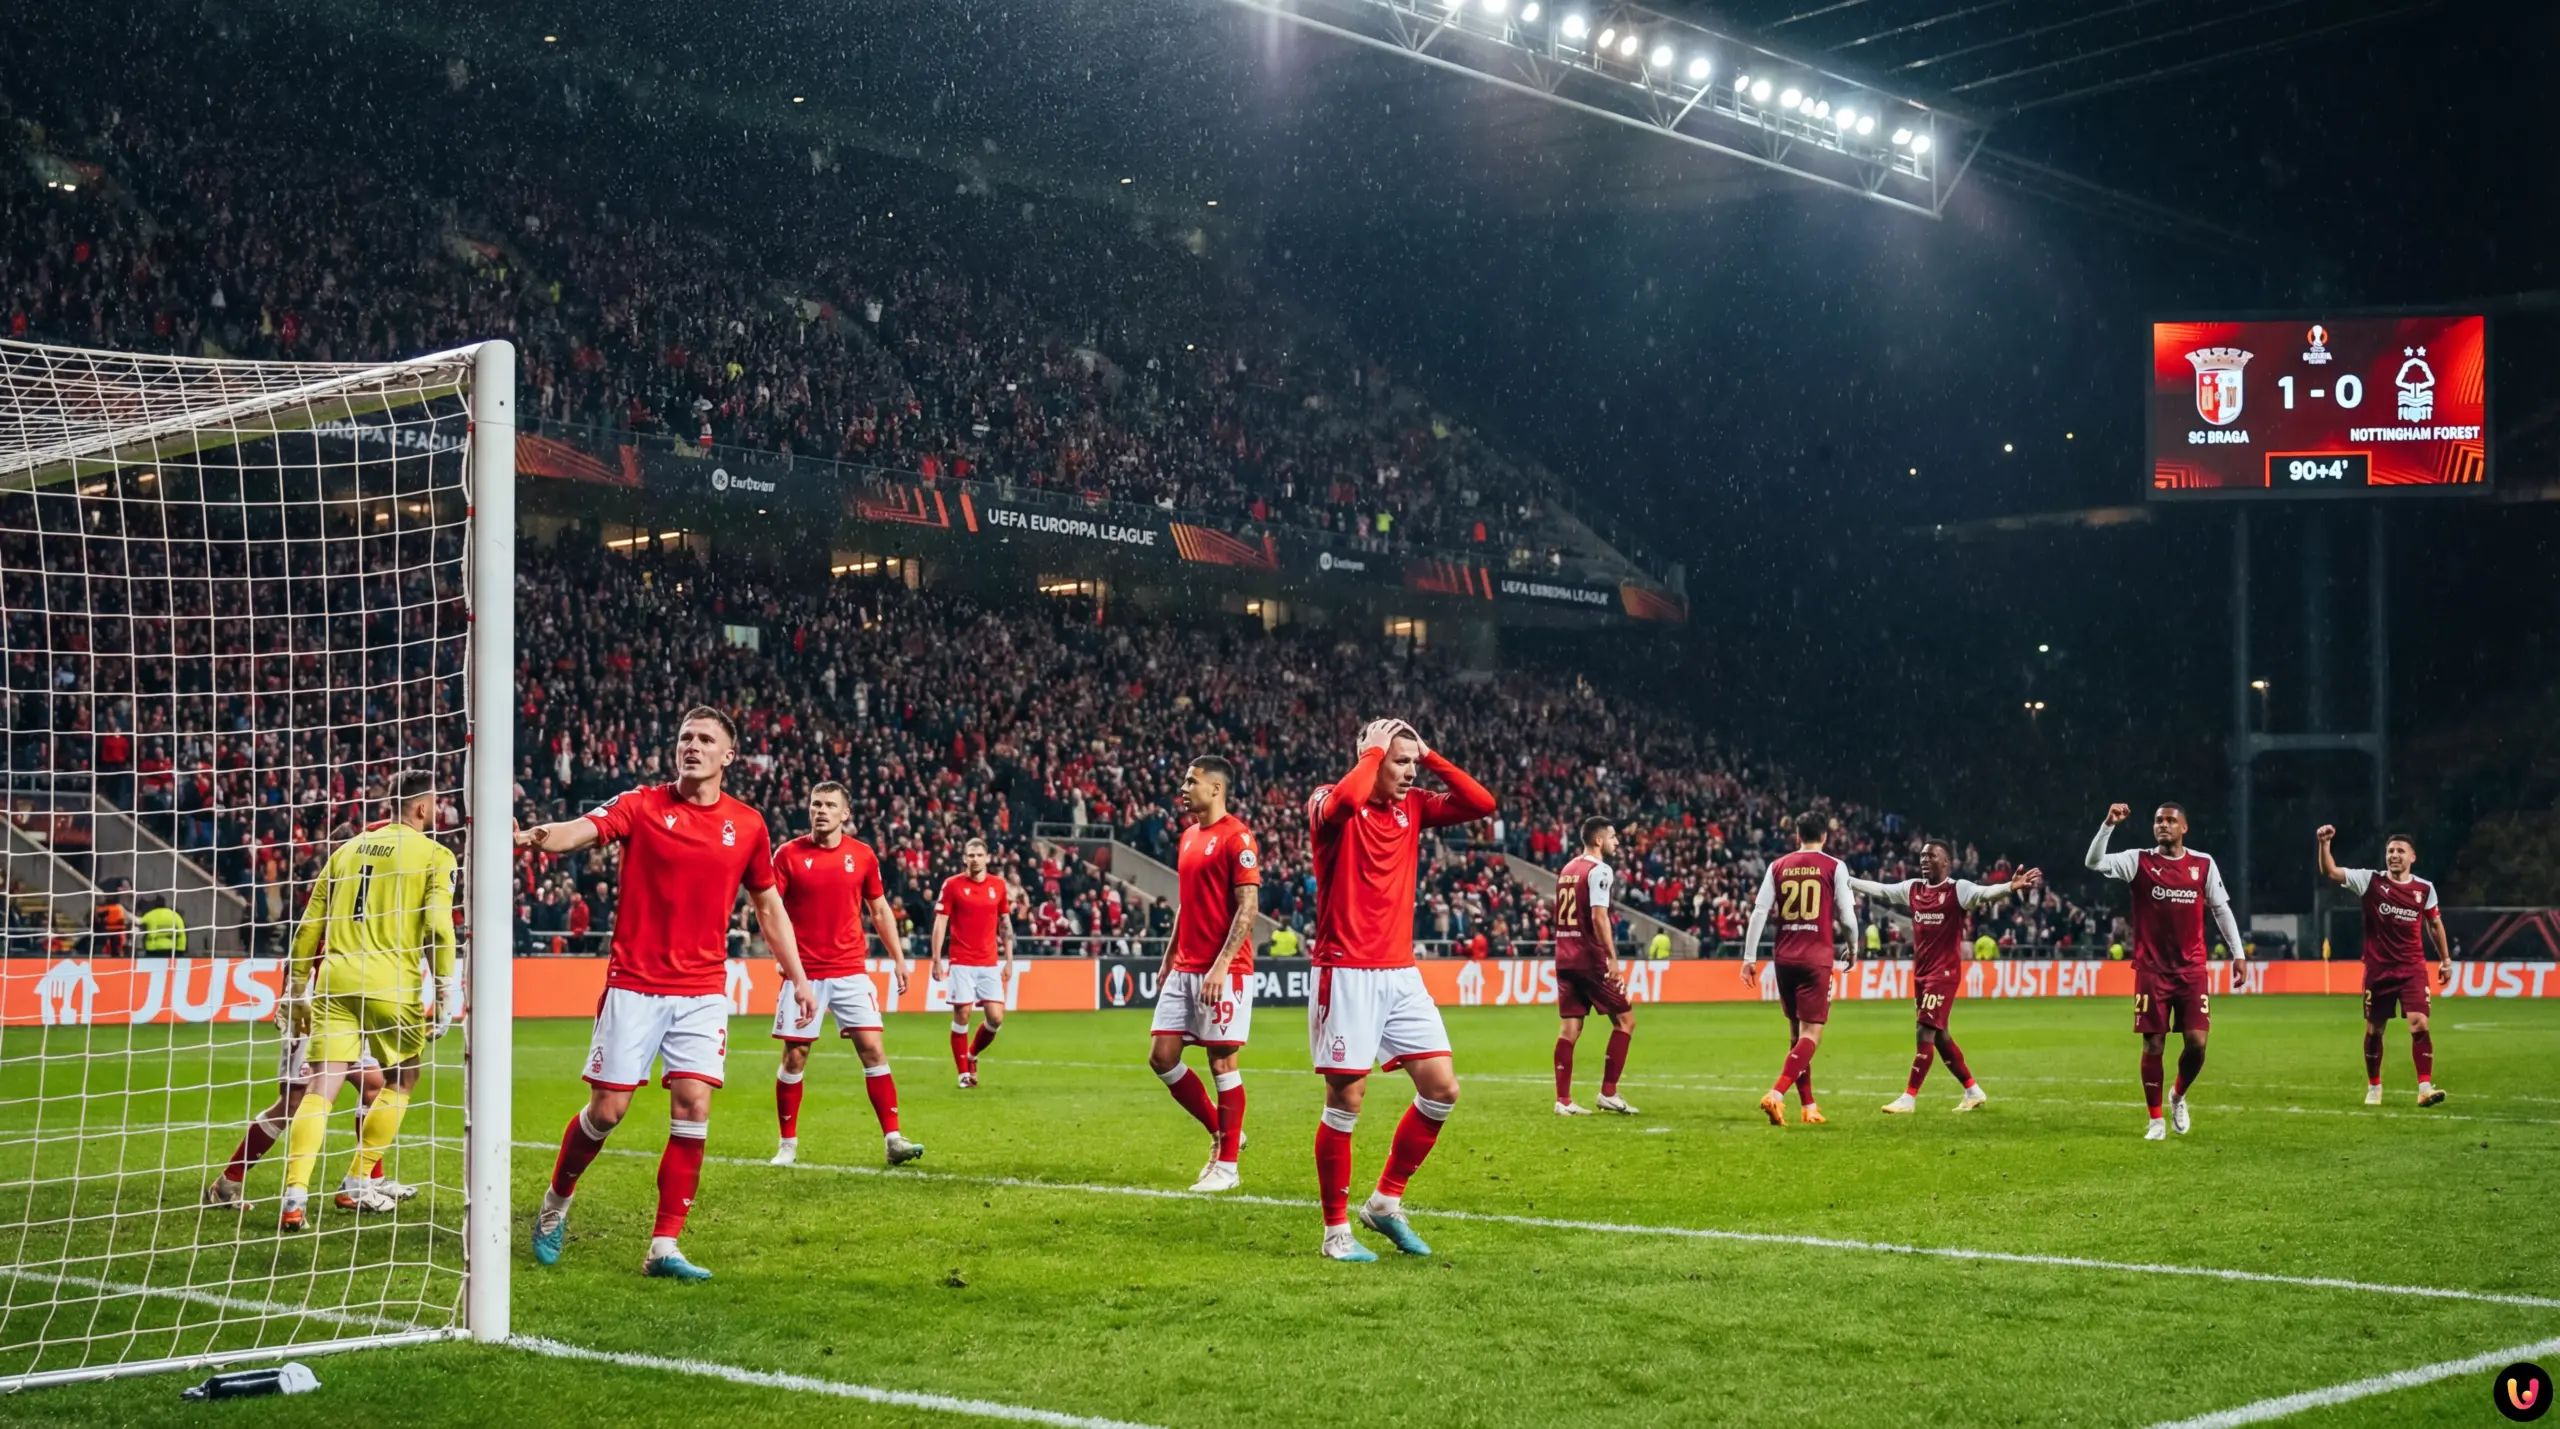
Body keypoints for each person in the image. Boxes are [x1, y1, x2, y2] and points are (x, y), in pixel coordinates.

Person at [518, 706, 818, 1281]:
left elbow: (769, 907)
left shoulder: (749, 825)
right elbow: (579, 830)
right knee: (607, 1112)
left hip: (703, 989)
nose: (693, 746)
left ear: (729, 755)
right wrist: (534, 837)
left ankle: (663, 1246)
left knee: (694, 1107)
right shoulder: (643, 805)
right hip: (634, 985)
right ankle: (556, 1204)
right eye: (685, 737)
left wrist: (798, 976)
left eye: (706, 739)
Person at [1306, 718, 1496, 1262]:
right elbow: (1344, 802)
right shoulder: (1328, 801)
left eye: (1413, 763)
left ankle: (1385, 1203)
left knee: (1442, 1089)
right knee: (1347, 1099)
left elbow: (1481, 803)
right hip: (1345, 972)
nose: (1410, 774)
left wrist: (1430, 754)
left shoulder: (1411, 809)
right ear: (1371, 757)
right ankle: (1335, 1232)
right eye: (1400, 762)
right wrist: (1370, 756)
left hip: (1399, 973)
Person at [274, 771, 458, 1231]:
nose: (436, 811)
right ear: (420, 808)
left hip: (334, 982)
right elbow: (438, 926)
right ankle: (358, 1179)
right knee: (404, 1076)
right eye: (434, 804)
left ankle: (294, 1197)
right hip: (389, 983)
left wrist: (296, 988)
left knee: (321, 1090)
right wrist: (444, 987)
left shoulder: (345, 850)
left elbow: (307, 928)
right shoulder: (435, 854)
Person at [768, 782, 924, 1168]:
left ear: (845, 814)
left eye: (830, 805)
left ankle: (893, 1139)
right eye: (816, 803)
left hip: (851, 971)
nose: (821, 810)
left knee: (872, 1048)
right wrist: (783, 959)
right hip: (804, 974)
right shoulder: (787, 855)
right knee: (795, 1057)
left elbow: (881, 911)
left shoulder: (863, 856)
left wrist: (899, 959)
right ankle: (787, 1146)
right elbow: (769, 909)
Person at [2087, 802, 2247, 1141]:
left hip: (2191, 969)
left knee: (2197, 1043)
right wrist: (2108, 825)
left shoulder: (2202, 864)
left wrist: (2238, 954)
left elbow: (2221, 909)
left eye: (2171, 820)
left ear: (2184, 828)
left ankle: (2177, 1095)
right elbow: (2094, 862)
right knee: (2153, 1045)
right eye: (2158, 820)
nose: (2163, 825)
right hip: (2152, 971)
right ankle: (2156, 1120)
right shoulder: (2138, 860)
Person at [1851, 842, 2040, 1114]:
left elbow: (1985, 893)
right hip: (1922, 972)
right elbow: (1881, 889)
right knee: (1940, 1036)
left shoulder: (1957, 890)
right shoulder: (1913, 888)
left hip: (1944, 972)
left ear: (1946, 862)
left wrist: (2009, 887)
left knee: (1923, 1030)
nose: (1925, 860)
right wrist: (1846, 881)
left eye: (1932, 856)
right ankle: (1973, 1090)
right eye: (1922, 856)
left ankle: (1909, 1097)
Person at [1146, 756, 1261, 1192]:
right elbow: (1185, 905)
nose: (1183, 787)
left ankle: (1227, 1167)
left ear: (1216, 789)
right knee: (1162, 1057)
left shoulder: (1238, 837)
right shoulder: (1189, 837)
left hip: (1223, 970)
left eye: (1191, 781)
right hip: (1185, 966)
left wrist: (1221, 965)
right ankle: (1222, 1128)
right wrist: (1167, 955)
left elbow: (1248, 908)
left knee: (1222, 1062)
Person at [2316, 825, 2451, 1107]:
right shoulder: (2370, 881)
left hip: (2412, 968)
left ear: (2412, 857)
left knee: (2419, 1024)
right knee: (2374, 1031)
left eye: (2400, 851)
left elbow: (2434, 924)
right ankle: (2374, 1087)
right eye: (2390, 851)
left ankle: (2424, 1088)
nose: (2394, 855)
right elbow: (2331, 871)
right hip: (2379, 970)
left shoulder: (2424, 889)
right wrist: (2324, 845)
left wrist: (2445, 960)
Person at [1742, 813, 1860, 1127]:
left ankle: (1808, 1106)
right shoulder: (1834, 866)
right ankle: (1777, 1094)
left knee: (1796, 1036)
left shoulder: (1777, 865)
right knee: (1812, 1035)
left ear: (1797, 835)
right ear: (1825, 836)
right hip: (1816, 958)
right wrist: (1854, 946)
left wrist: (1749, 957)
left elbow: (1760, 912)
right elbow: (1847, 917)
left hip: (1784, 959)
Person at [1550, 816, 1638, 1117]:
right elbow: (1600, 917)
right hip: (1589, 959)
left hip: (1564, 956)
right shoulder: (1599, 870)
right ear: (1598, 840)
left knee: (1569, 1029)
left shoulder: (1568, 869)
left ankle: (1563, 1100)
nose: (1616, 842)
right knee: (1626, 1021)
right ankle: (1609, 1093)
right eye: (1612, 837)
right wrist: (1612, 957)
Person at [931, 837, 1015, 1088]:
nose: (975, 859)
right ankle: (963, 1074)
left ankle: (972, 1054)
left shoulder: (998, 886)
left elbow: (1005, 923)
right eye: (970, 855)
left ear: (987, 857)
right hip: (961, 960)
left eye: (979, 855)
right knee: (963, 1012)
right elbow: (941, 922)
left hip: (989, 961)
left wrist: (1009, 958)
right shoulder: (952, 885)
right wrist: (936, 958)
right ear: (964, 858)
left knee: (996, 1018)